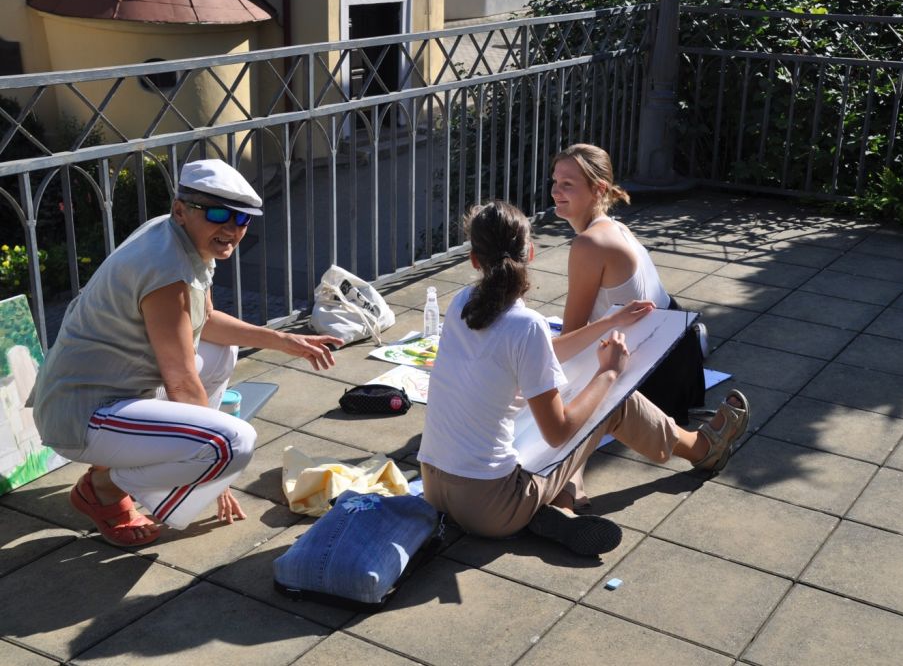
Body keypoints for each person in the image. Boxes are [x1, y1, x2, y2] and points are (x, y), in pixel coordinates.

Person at [29, 159, 344, 547]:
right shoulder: (167, 270)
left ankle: (131, 466)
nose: (232, 228)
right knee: (235, 442)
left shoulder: (177, 237)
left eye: (243, 219)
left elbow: (204, 321)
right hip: (81, 414)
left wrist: (283, 340)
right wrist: (214, 467)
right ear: (181, 210)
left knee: (221, 351)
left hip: (106, 393)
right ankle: (103, 487)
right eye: (218, 214)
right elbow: (180, 380)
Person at [417, 201, 748, 556]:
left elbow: (542, 351)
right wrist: (609, 373)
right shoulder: (526, 326)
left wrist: (608, 323)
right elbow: (559, 432)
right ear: (530, 252)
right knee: (611, 402)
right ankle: (703, 449)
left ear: (474, 260)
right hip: (492, 506)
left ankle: (562, 506)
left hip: (435, 489)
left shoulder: (463, 303)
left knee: (575, 402)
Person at [549, 144, 712, 509]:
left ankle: (567, 493)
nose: (556, 191)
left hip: (658, 372)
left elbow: (570, 337)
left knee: (555, 387)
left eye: (568, 184)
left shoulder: (589, 243)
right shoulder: (614, 227)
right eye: (555, 181)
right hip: (677, 353)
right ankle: (569, 492)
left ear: (598, 189)